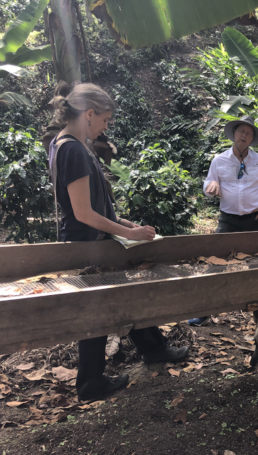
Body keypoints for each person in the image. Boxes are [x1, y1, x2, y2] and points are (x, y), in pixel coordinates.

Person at [48, 83, 189, 401]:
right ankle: (90, 383)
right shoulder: (71, 148)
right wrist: (129, 234)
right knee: (97, 313)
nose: (106, 127)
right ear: (89, 114)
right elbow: (82, 212)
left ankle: (154, 349)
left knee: (125, 298)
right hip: (87, 246)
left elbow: (90, 205)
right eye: (105, 120)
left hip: (95, 241)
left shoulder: (71, 145)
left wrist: (124, 224)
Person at [188, 115, 258, 326]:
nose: (244, 135)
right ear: (234, 134)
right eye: (241, 131)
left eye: (249, 133)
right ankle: (205, 312)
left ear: (252, 139)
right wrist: (211, 187)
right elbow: (208, 185)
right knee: (215, 263)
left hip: (254, 220)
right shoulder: (219, 160)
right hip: (228, 220)